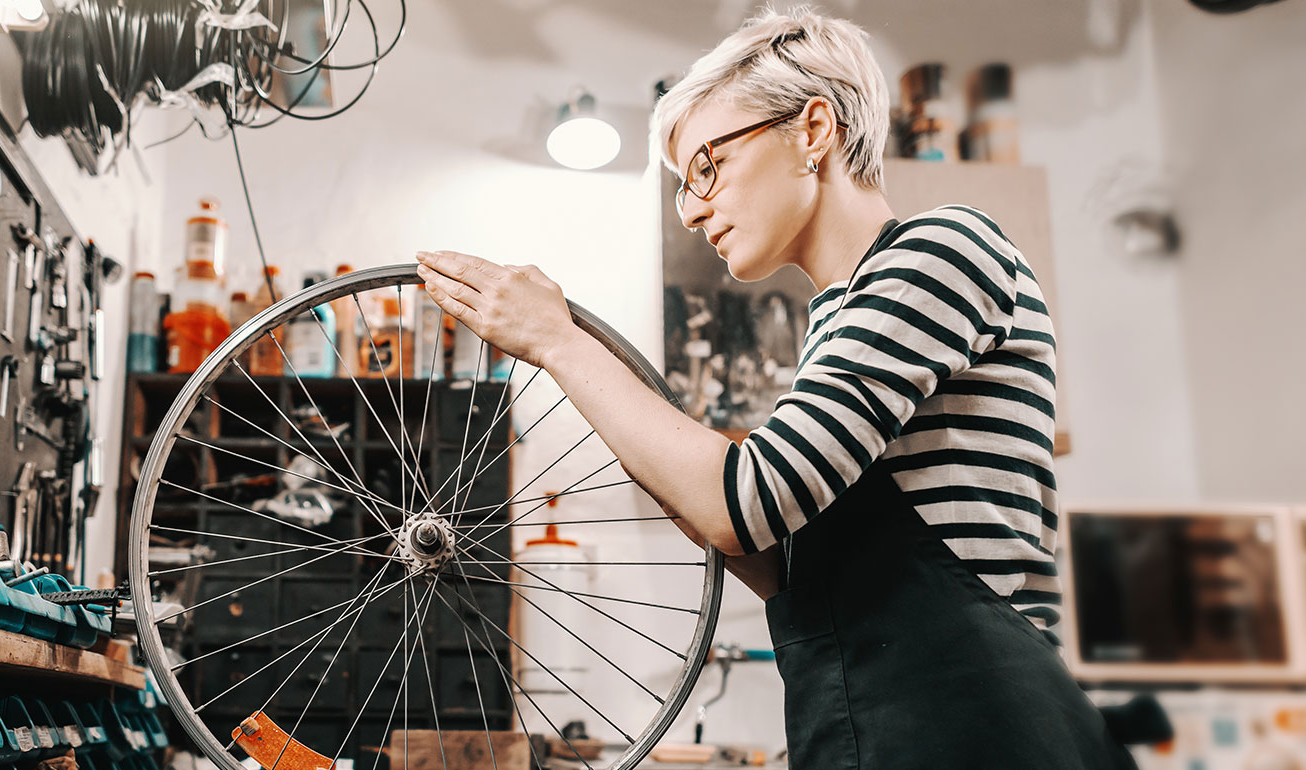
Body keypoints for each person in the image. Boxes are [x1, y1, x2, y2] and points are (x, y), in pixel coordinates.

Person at [415, 7, 1137, 769]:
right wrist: (671, 476)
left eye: (705, 166)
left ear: (813, 130)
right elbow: (784, 565)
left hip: (986, 732)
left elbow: (744, 503)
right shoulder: (840, 321)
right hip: (873, 734)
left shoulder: (943, 249)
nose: (691, 210)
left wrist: (558, 341)